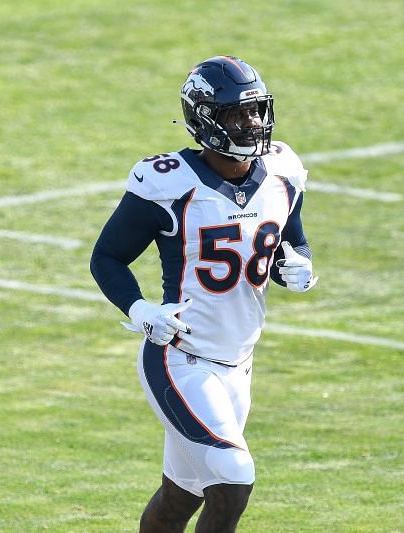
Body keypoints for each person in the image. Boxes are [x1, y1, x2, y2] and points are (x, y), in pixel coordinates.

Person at [90, 55, 317, 532]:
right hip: (181, 358)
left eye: (256, 110)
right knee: (234, 479)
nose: (252, 123)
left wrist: (296, 264)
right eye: (237, 113)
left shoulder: (282, 171)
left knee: (181, 495)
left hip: (239, 363)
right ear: (207, 120)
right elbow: (106, 256)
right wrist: (140, 308)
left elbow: (287, 237)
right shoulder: (170, 183)